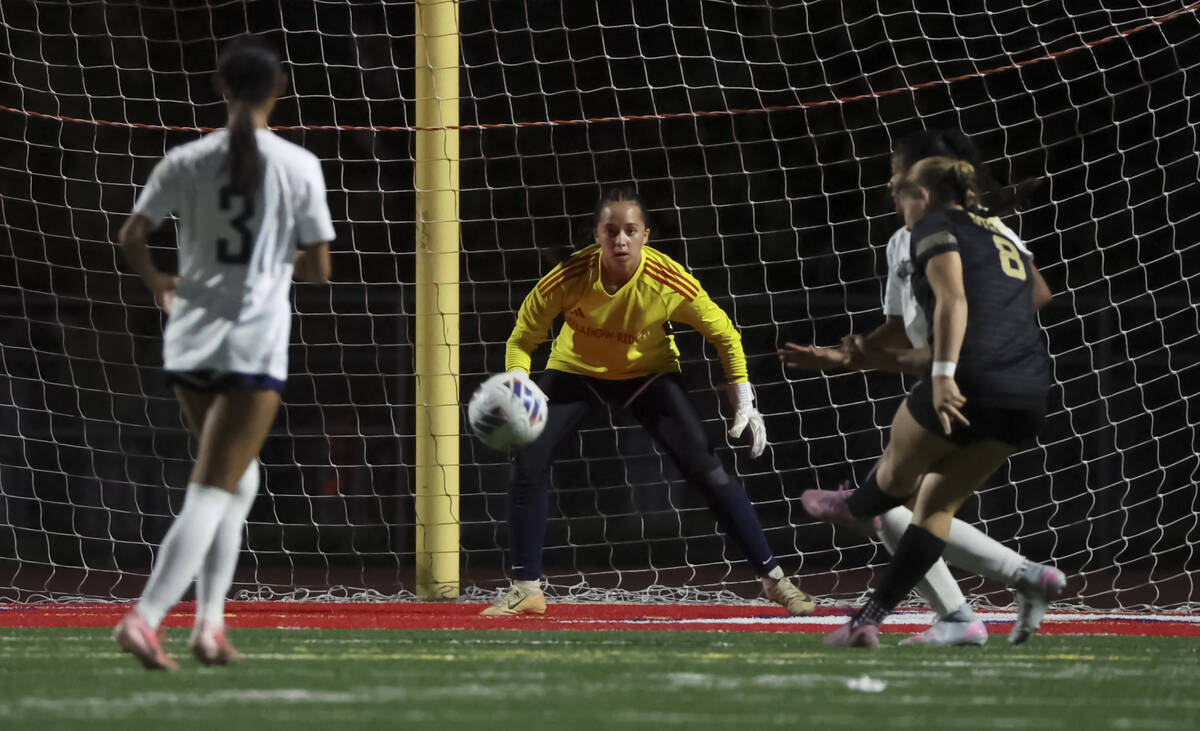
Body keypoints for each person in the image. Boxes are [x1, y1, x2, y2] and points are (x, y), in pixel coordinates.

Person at [782, 131, 1065, 646]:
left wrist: (948, 364)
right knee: (926, 507)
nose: (891, 184)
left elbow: (958, 300)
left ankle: (858, 508)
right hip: (1021, 384)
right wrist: (850, 355)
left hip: (958, 374)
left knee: (890, 498)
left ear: (924, 184)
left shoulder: (934, 226)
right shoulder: (978, 229)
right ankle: (969, 602)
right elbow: (908, 325)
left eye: (898, 176)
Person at [481, 187, 815, 617]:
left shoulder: (668, 281)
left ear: (645, 236)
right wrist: (520, 386)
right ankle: (527, 587)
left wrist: (745, 400)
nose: (621, 239)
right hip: (576, 371)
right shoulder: (568, 277)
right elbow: (522, 340)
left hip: (648, 374)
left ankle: (775, 580)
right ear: (597, 236)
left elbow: (725, 336)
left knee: (708, 471)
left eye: (630, 230)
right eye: (611, 230)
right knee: (527, 459)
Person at [111, 36, 334, 670]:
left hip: (188, 341)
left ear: (220, 86)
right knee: (214, 486)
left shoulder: (186, 159)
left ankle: (209, 628)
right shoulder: (297, 165)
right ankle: (144, 618)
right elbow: (318, 270)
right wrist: (275, 258)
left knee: (240, 478)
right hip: (251, 341)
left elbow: (131, 235)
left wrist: (159, 283)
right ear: (280, 89)